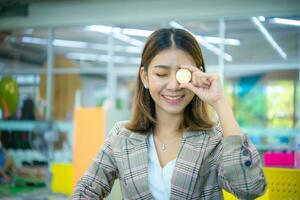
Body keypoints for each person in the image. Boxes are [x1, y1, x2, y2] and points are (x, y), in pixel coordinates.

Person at [72, 28, 266, 199]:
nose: (174, 86)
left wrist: (220, 103)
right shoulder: (121, 137)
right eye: (161, 74)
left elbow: (250, 189)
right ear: (145, 77)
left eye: (183, 75)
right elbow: (86, 190)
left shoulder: (214, 139)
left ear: (198, 75)